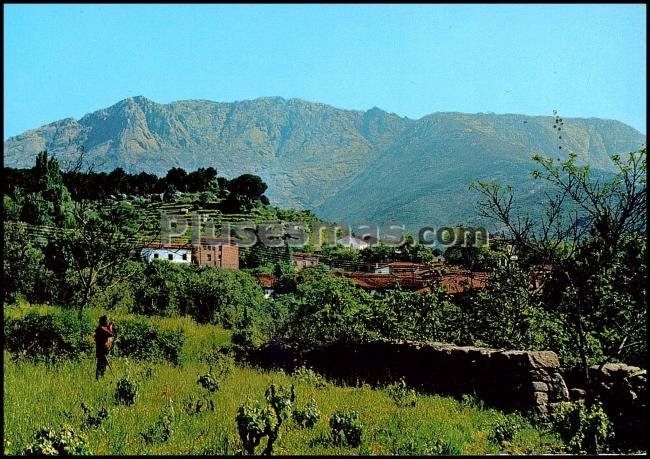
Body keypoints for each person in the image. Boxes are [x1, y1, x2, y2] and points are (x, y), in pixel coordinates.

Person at [93, 315, 115, 380]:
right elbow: (111, 334)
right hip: (102, 352)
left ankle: (99, 380)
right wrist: (110, 327)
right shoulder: (102, 329)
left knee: (101, 367)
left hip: (101, 351)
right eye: (107, 320)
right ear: (104, 321)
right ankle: (98, 380)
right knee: (100, 367)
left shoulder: (99, 329)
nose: (108, 322)